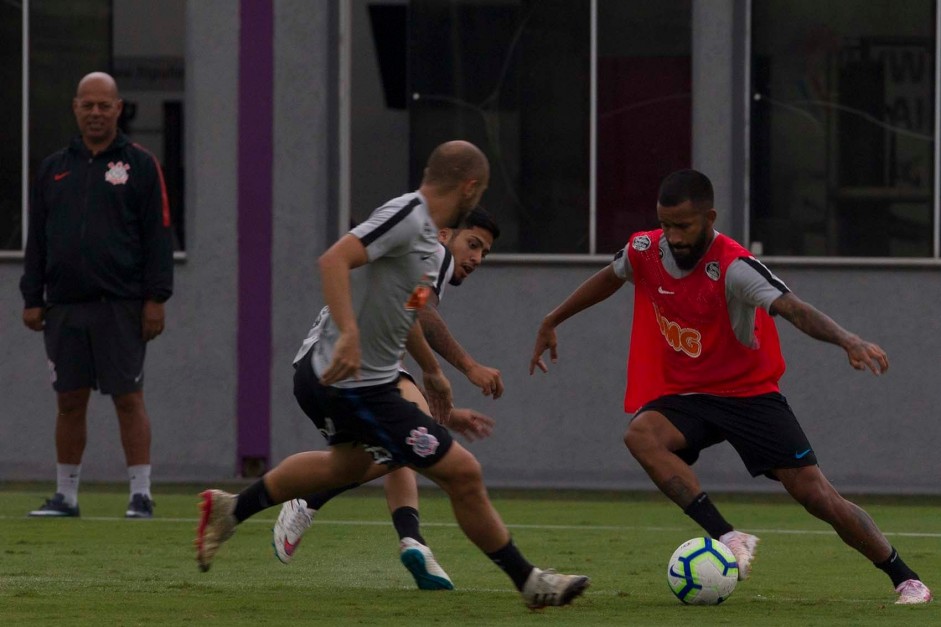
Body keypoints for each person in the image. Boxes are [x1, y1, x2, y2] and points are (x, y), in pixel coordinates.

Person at [195, 140, 589, 609]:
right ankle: (529, 582)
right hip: (351, 380)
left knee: (351, 466)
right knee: (463, 473)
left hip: (359, 381)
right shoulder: (409, 215)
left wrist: (432, 373)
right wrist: (349, 335)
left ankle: (232, 509)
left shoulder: (432, 249)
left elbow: (410, 310)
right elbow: (334, 259)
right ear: (471, 187)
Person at [529, 169, 932, 605]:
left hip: (748, 395)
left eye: (683, 226)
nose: (673, 237)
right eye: (666, 224)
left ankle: (905, 578)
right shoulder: (645, 248)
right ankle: (729, 536)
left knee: (816, 496)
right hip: (690, 395)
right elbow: (611, 276)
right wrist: (553, 318)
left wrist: (847, 340)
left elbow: (792, 307)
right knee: (641, 434)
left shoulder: (735, 267)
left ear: (709, 217)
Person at [273, 207, 502, 592]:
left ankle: (413, 541)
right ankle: (306, 499)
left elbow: (406, 318)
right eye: (473, 245)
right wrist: (467, 366)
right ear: (446, 235)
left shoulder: (414, 248)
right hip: (346, 362)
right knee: (410, 441)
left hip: (355, 365)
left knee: (407, 440)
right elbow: (420, 312)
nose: (477, 258)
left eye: (485, 253)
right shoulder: (432, 252)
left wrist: (443, 409)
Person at [20, 72, 174, 520]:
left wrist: (156, 298)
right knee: (69, 400)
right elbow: (38, 241)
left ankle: (140, 495)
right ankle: (65, 496)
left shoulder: (141, 165)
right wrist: (32, 295)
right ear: (75, 108)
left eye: (104, 105)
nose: (95, 113)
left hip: (122, 306)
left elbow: (159, 235)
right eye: (87, 105)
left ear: (118, 108)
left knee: (129, 398)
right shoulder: (53, 168)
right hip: (64, 307)